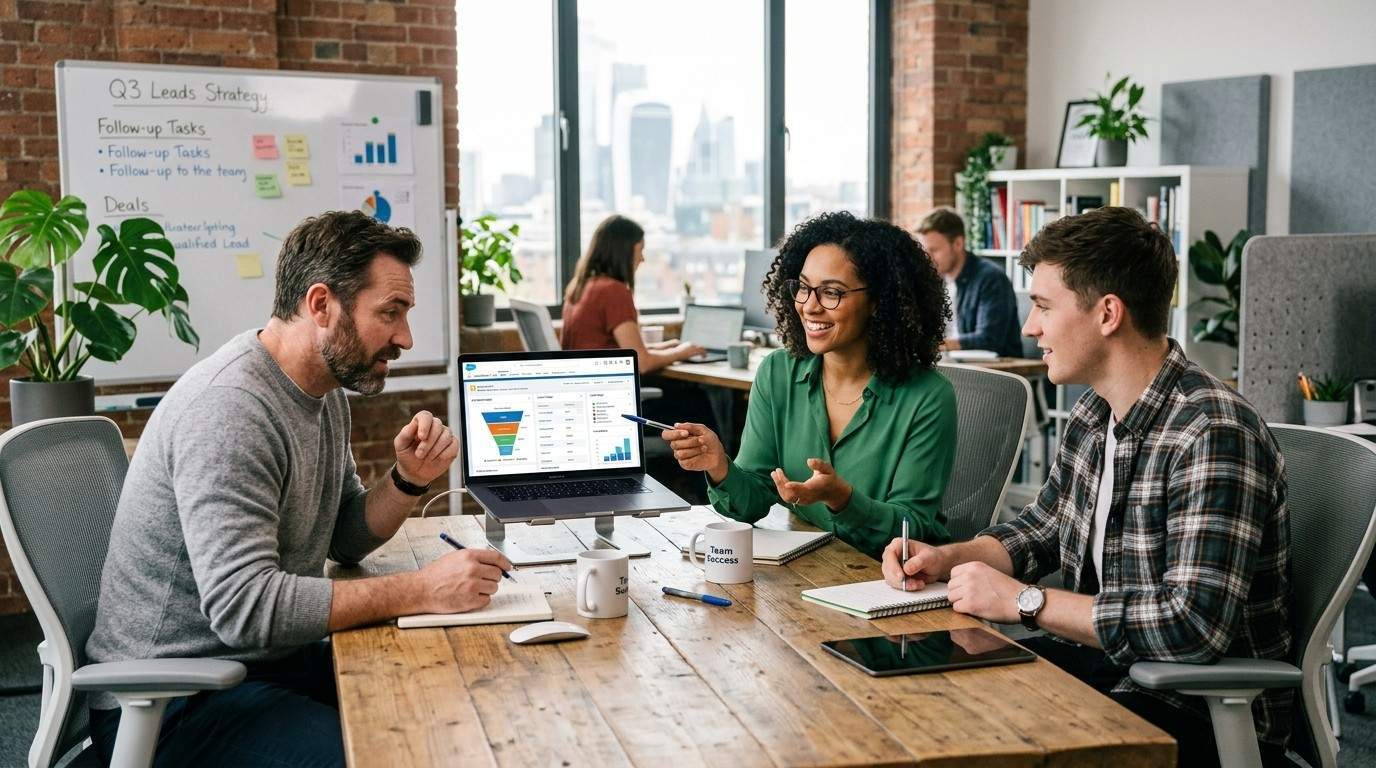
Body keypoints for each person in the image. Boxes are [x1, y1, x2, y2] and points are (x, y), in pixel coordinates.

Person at [84, 211, 514, 767]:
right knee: (389, 755)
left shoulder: (323, 392)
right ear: (320, 305)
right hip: (174, 698)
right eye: (390, 313)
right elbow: (245, 607)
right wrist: (421, 589)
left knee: (448, 698)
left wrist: (408, 479)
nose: (405, 337)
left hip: (258, 662)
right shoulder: (231, 410)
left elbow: (343, 538)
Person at [882, 207, 1292, 765]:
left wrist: (1024, 601)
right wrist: (947, 557)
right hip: (1106, 673)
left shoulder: (1211, 432)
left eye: (1044, 306)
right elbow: (1042, 529)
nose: (1030, 328)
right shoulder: (1095, 413)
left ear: (1107, 314)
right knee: (921, 704)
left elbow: (1191, 626)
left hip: (1193, 713)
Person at [664, 211, 958, 560]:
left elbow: (912, 528)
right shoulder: (778, 373)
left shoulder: (927, 397)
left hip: (896, 580)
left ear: (880, 301)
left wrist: (842, 499)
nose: (809, 306)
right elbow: (751, 503)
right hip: (813, 568)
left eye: (831, 292)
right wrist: (719, 466)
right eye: (802, 288)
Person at [561, 214, 706, 371]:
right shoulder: (613, 291)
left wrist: (665, 348)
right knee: (698, 394)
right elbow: (642, 363)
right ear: (624, 252)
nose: (642, 258)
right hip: (611, 385)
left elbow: (616, 350)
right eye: (640, 250)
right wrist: (680, 353)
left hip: (587, 382)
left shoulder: (581, 286)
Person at [915, 207, 1022, 357]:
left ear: (958, 243)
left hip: (995, 370)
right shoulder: (936, 280)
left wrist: (936, 345)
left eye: (934, 250)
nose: (928, 258)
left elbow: (989, 340)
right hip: (953, 365)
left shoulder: (991, 278)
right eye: (925, 251)